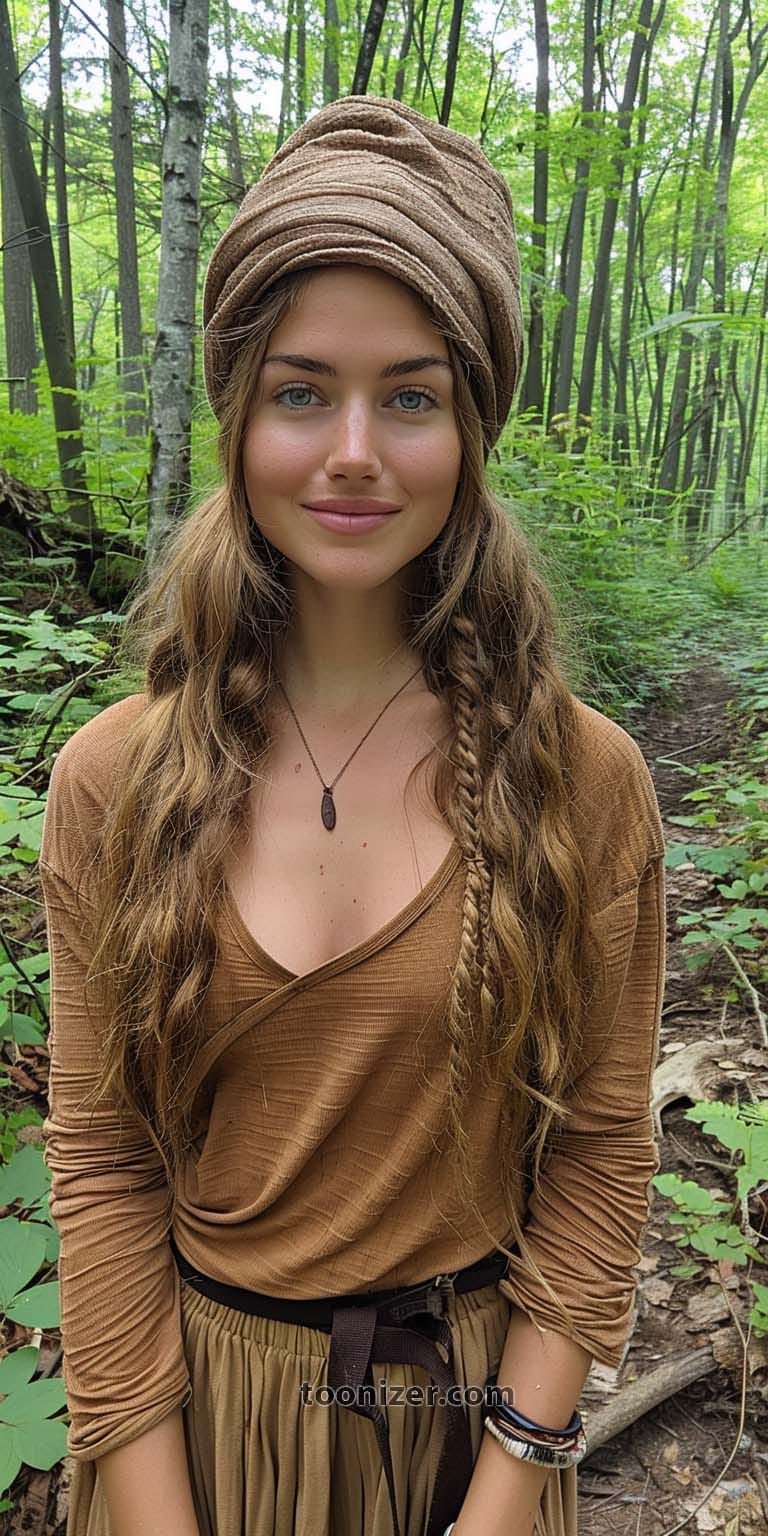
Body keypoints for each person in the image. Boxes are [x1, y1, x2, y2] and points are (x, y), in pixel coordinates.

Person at [39, 95, 666, 1536]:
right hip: (196, 1429)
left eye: (414, 395)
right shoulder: (113, 781)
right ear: (238, 412)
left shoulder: (585, 780)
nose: (354, 451)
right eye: (302, 389)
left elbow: (599, 1145)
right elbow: (102, 1151)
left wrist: (506, 1490)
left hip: (465, 1426)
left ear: (473, 423)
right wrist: (151, 1506)